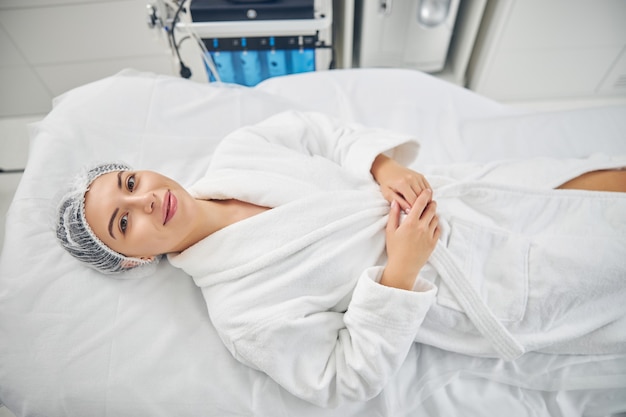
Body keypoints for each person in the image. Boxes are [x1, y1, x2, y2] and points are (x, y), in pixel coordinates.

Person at [56, 111, 626, 407]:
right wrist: (401, 272)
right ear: (130, 260)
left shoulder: (240, 151)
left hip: (460, 193)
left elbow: (319, 133)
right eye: (124, 222)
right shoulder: (241, 312)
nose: (146, 199)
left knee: (601, 184)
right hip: (478, 280)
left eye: (130, 182)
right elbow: (342, 378)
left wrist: (386, 168)